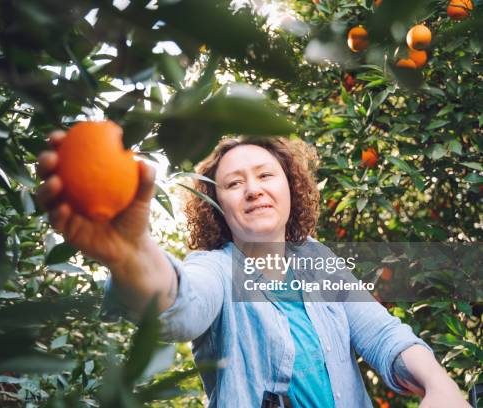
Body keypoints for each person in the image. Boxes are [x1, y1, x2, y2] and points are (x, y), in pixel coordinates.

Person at [37, 131, 469, 408]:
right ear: (219, 207)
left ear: (290, 189)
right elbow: (180, 303)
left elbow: (381, 332)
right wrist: (130, 255)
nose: (254, 189)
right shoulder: (217, 269)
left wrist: (439, 383)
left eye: (266, 174)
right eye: (234, 183)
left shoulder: (317, 261)